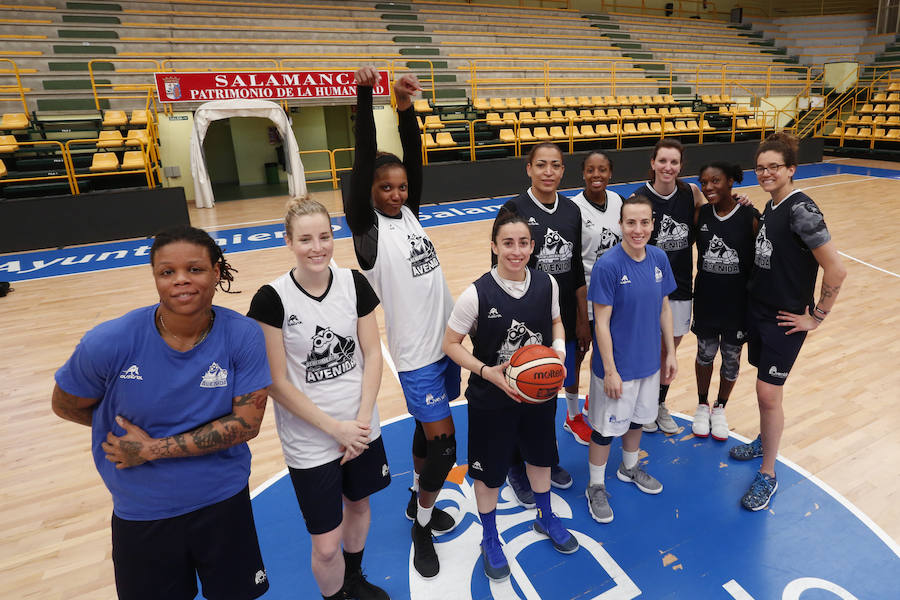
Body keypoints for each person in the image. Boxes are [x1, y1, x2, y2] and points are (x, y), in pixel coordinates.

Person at [51, 225, 271, 600]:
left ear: (216, 272)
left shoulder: (243, 335)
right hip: (144, 513)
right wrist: (115, 433)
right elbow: (65, 404)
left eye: (194, 269)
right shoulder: (109, 341)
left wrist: (152, 449)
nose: (181, 280)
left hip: (223, 502)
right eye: (167, 272)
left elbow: (246, 424)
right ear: (155, 277)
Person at [344, 66, 460, 579]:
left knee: (424, 434)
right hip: (416, 356)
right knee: (445, 447)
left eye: (401, 187)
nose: (395, 193)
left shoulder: (410, 214)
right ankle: (422, 527)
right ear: (368, 191)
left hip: (446, 345)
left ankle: (417, 501)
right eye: (385, 187)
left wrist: (405, 108)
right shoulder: (366, 229)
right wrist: (366, 96)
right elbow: (363, 159)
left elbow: (413, 156)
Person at [248, 199, 390, 600]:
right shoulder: (271, 299)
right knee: (326, 546)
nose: (317, 247)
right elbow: (275, 382)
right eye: (306, 239)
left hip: (360, 426)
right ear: (288, 241)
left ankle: (354, 579)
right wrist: (336, 430)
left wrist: (360, 423)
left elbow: (373, 354)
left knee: (359, 506)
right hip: (311, 441)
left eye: (324, 237)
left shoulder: (353, 283)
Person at [443, 211, 579, 583]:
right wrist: (485, 371)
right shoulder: (476, 293)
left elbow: (556, 322)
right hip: (491, 399)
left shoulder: (547, 283)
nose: (516, 251)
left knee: (540, 458)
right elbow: (450, 343)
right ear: (494, 246)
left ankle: (546, 516)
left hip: (538, 395)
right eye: (507, 243)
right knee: (489, 475)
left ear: (532, 246)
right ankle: (490, 536)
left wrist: (559, 353)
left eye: (522, 243)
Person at [729, 133, 846, 511]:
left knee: (768, 393)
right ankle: (764, 440)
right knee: (765, 388)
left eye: (774, 167)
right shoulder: (773, 205)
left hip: (786, 318)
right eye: (760, 168)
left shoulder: (802, 210)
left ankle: (768, 473)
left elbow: (836, 270)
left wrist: (817, 317)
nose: (766, 173)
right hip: (759, 310)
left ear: (791, 169)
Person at [495, 142, 586, 504]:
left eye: (556, 165)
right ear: (529, 168)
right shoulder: (513, 209)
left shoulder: (572, 210)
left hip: (560, 320)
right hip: (525, 320)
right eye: (542, 165)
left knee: (547, 392)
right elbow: (499, 269)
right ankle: (516, 466)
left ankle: (544, 458)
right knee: (520, 395)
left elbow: (576, 267)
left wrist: (581, 318)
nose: (549, 172)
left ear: (563, 170)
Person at [585, 195, 677, 524]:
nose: (638, 229)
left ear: (653, 224)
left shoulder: (659, 258)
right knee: (604, 430)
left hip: (648, 363)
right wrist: (610, 371)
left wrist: (671, 352)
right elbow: (601, 323)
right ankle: (595, 486)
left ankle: (629, 467)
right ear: (620, 225)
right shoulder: (608, 265)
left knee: (638, 420)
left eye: (644, 222)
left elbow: (664, 308)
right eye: (631, 223)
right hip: (617, 368)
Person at [631, 139, 704, 434]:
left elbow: (714, 215)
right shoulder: (638, 198)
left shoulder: (690, 193)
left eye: (674, 162)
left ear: (680, 166)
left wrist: (740, 201)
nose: (668, 167)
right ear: (653, 163)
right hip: (647, 289)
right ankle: (644, 405)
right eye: (662, 161)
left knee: (668, 351)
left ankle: (659, 404)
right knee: (648, 350)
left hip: (681, 286)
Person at [691, 162, 759, 440]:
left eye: (715, 181)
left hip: (737, 305)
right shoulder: (701, 214)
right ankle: (702, 404)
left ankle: (720, 407)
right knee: (704, 355)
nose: (708, 187)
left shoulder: (750, 216)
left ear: (731, 181)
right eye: (704, 182)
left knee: (731, 359)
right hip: (706, 301)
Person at [567, 150, 623, 445]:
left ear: (610, 172)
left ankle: (593, 400)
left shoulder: (619, 201)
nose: (596, 175)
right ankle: (572, 415)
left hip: (614, 295)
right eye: (591, 170)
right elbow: (574, 262)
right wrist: (580, 317)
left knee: (605, 352)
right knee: (578, 354)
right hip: (585, 294)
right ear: (583, 173)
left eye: (602, 169)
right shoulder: (573, 208)